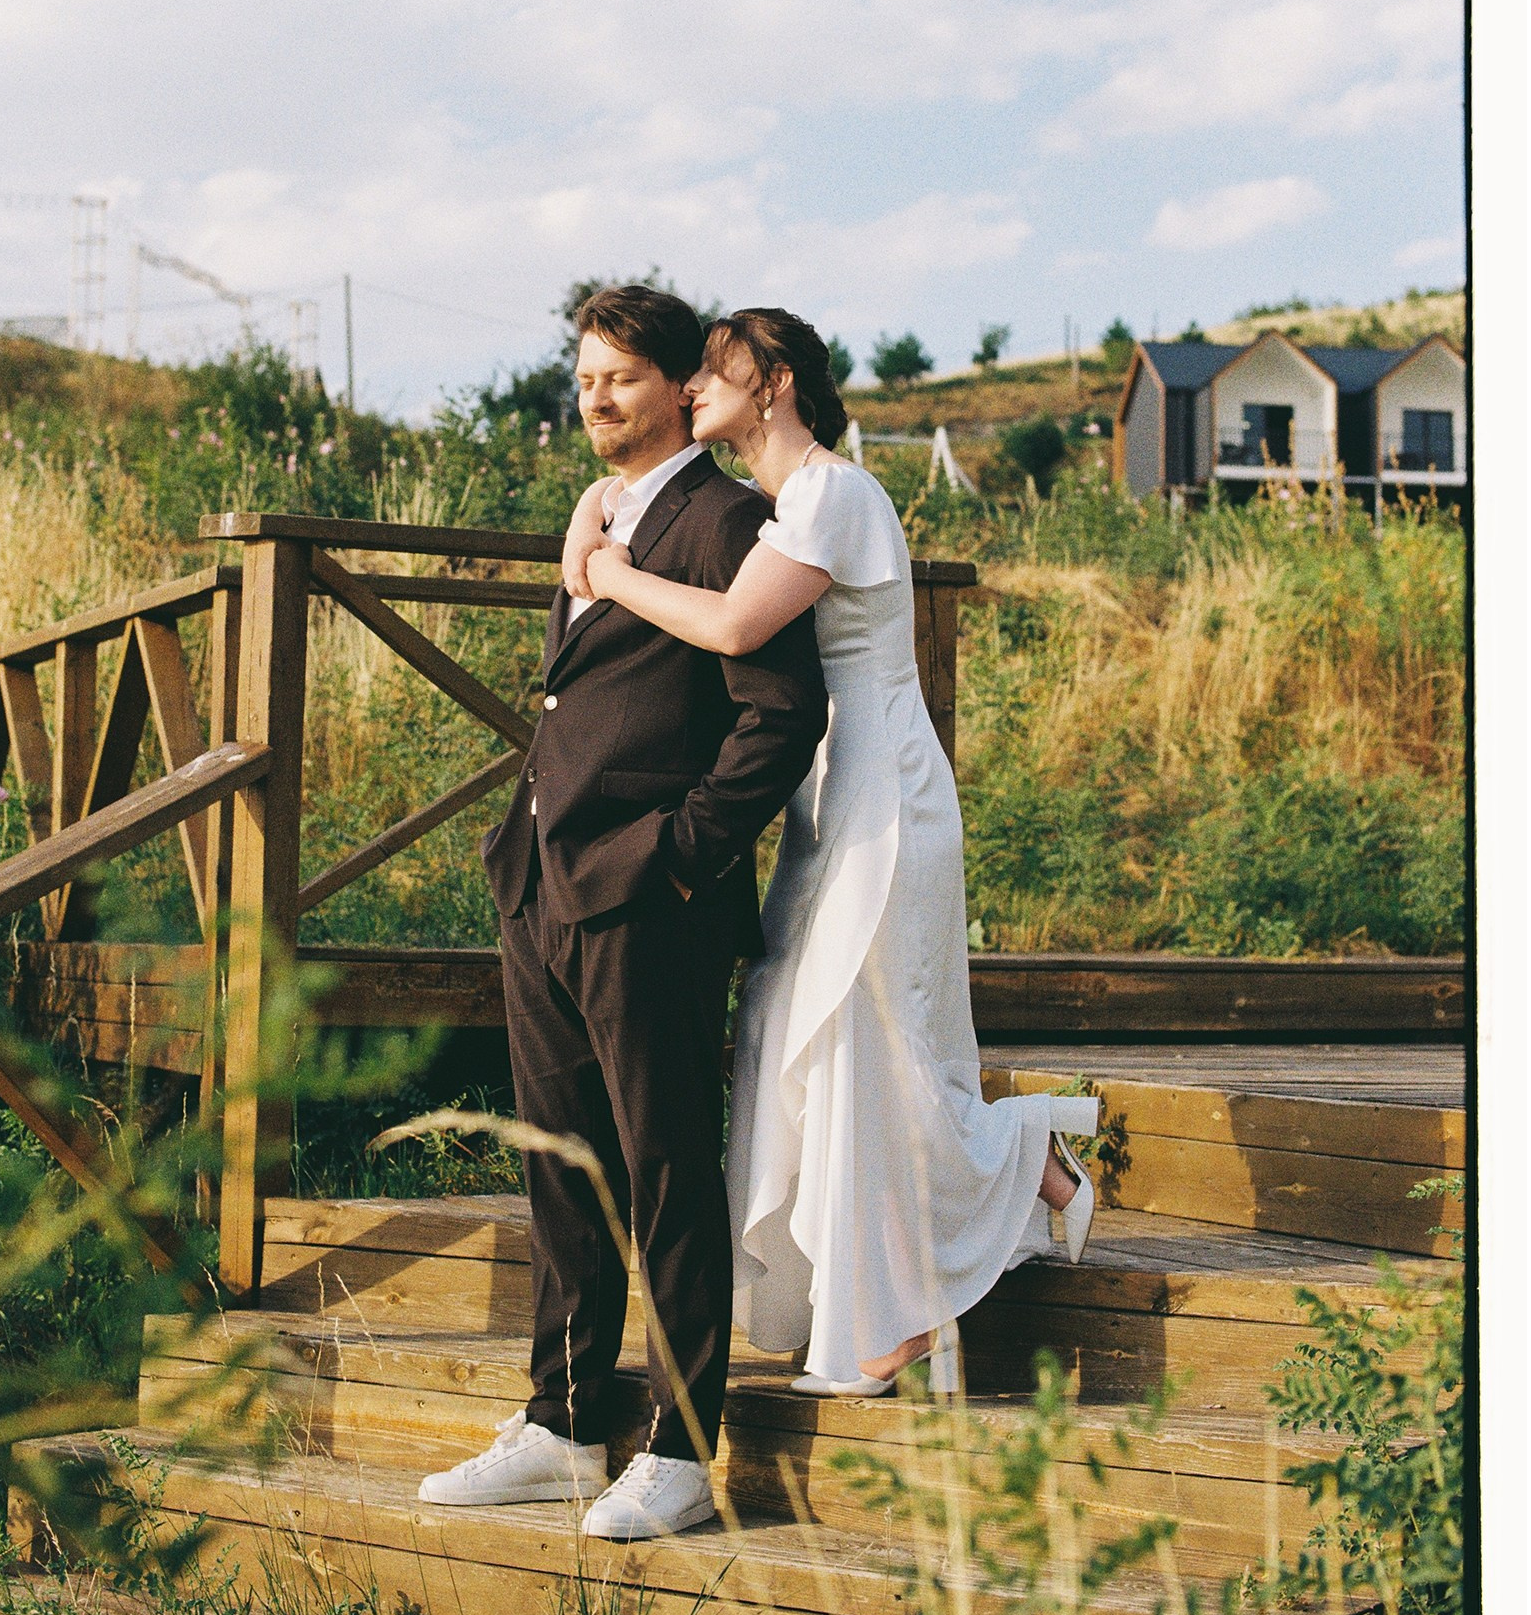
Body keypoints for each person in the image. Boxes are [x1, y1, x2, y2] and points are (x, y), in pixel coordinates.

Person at [564, 307, 1099, 1399]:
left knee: (864, 1030)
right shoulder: (781, 503)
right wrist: (594, 506)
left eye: (716, 371)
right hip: (829, 793)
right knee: (801, 1023)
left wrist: (611, 576)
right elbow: (624, 523)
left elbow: (733, 628)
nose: (693, 387)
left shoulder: (834, 494)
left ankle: (977, 1217)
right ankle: (897, 1295)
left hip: (885, 791)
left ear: (774, 383)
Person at [418, 286, 827, 1536]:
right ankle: (563, 1422)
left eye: (621, 378)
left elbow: (780, 716)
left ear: (680, 388)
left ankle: (684, 1449)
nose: (596, 397)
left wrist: (680, 857)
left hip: (650, 899)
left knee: (666, 1172)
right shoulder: (601, 512)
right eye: (585, 377)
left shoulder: (727, 521)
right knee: (563, 1167)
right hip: (543, 884)